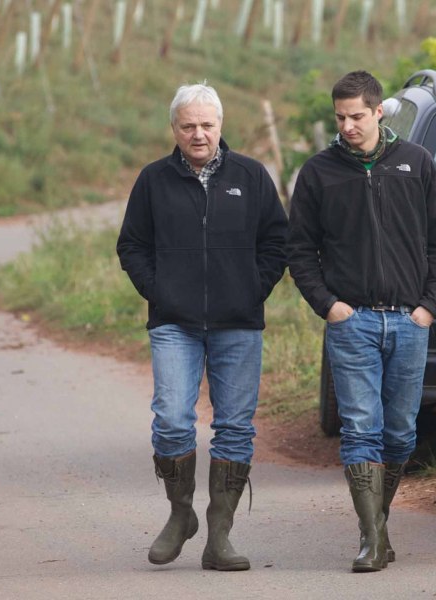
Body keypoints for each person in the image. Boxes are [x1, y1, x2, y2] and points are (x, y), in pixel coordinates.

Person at [287, 70, 436, 573]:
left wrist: (429, 307)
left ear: (379, 111)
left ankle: (378, 523)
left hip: (409, 320)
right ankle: (371, 539)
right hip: (352, 322)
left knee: (400, 433)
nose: (348, 126)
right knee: (361, 429)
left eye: (357, 116)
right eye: (340, 117)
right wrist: (329, 306)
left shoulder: (416, 163)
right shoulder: (318, 173)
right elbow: (300, 250)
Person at [117, 82, 288, 571]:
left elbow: (277, 241)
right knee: (172, 420)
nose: (198, 134)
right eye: (188, 125)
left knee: (234, 427)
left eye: (206, 125)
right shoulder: (153, 180)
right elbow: (132, 246)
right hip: (175, 322)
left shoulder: (252, 176)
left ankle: (219, 536)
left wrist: (252, 289)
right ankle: (180, 514)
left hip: (239, 323)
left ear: (221, 125)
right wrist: (160, 291)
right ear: (174, 128)